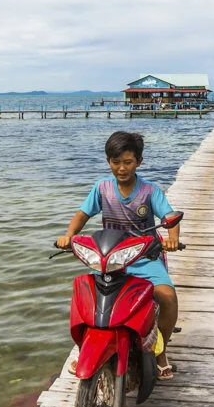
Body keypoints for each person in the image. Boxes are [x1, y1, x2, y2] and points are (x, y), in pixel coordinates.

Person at [57, 131, 181, 380]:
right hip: (109, 260)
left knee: (168, 297)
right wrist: (69, 235)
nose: (122, 168)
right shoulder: (102, 188)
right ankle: (85, 348)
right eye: (116, 162)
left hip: (144, 258)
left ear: (139, 162)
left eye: (128, 162)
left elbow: (169, 217)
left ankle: (161, 352)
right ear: (108, 161)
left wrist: (173, 238)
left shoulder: (149, 191)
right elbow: (82, 215)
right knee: (85, 297)